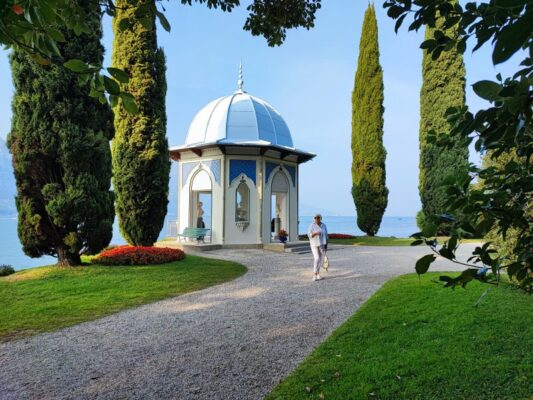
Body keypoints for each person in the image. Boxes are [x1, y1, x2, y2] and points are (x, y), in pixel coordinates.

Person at [307, 213, 328, 281]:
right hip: (314, 244)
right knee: (316, 258)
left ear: (320, 218)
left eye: (318, 218)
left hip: (322, 244)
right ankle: (314, 274)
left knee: (320, 259)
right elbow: (309, 235)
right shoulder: (311, 225)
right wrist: (315, 233)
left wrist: (326, 244)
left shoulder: (323, 225)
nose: (316, 219)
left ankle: (318, 274)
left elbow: (326, 235)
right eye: (315, 218)